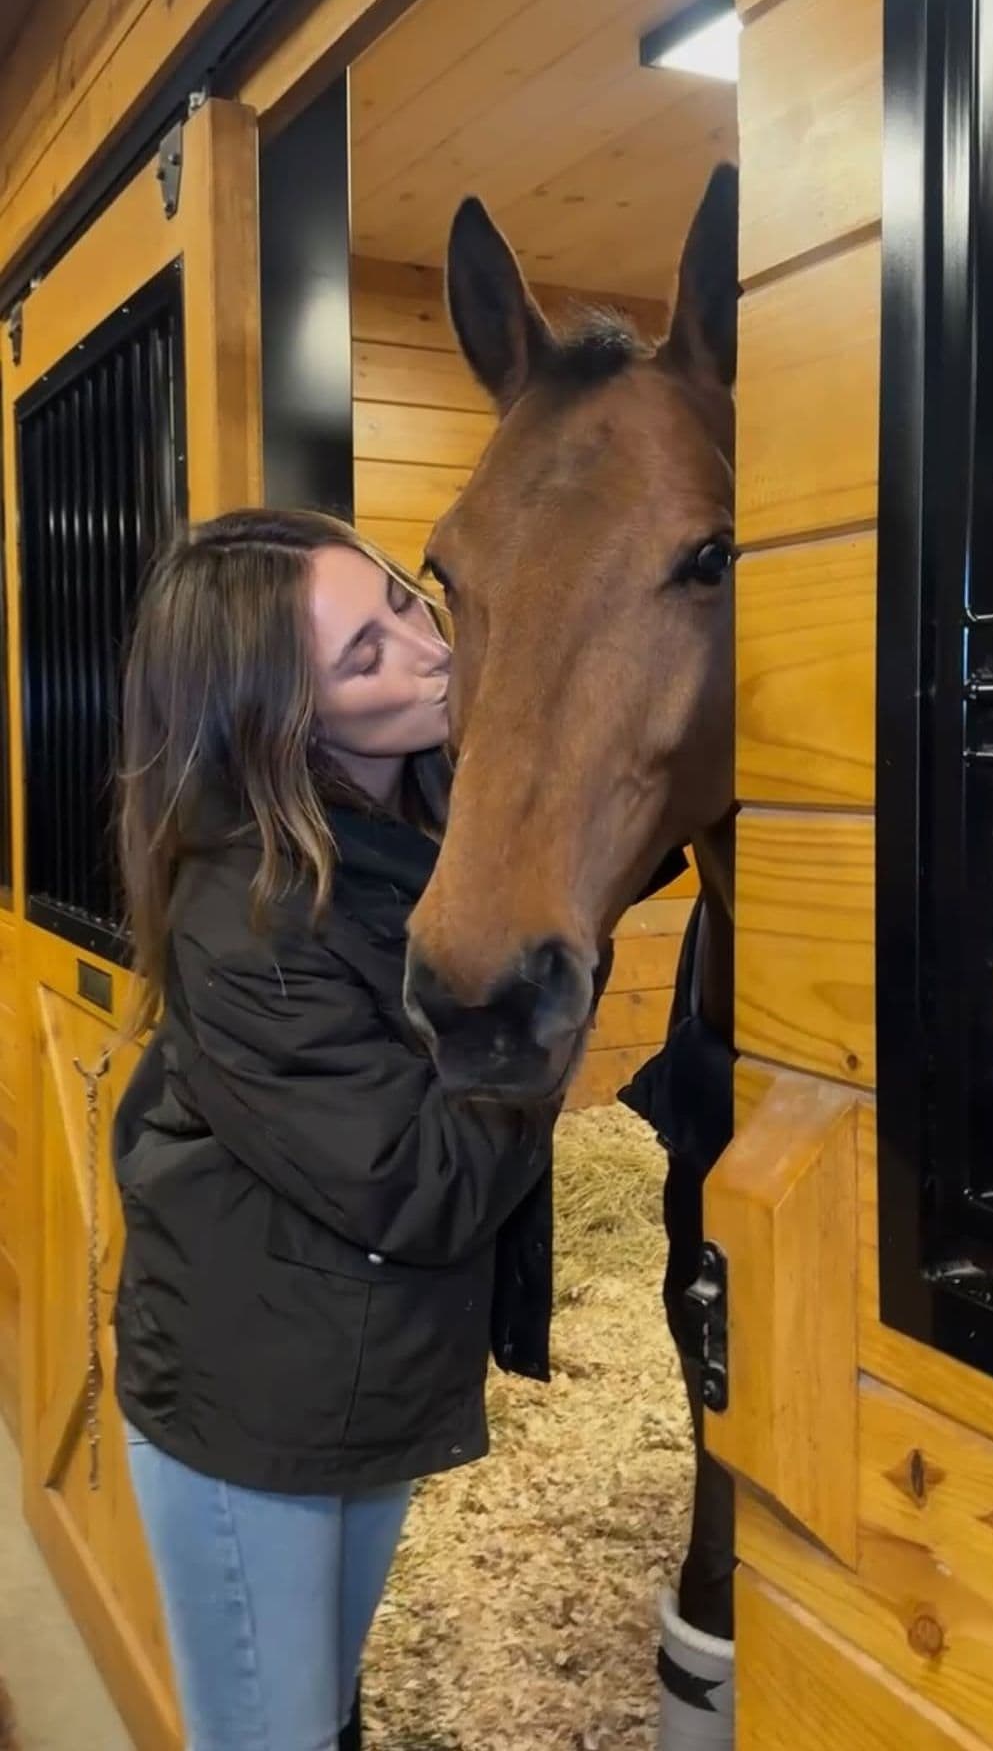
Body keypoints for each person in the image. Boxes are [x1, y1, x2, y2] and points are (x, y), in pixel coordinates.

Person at [111, 509, 557, 1751]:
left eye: (406, 604)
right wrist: (543, 996)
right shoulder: (247, 917)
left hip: (351, 1367)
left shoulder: (415, 808)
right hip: (256, 1406)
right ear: (286, 725)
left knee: (324, 1712)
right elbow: (425, 1187)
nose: (431, 651)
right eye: (366, 655)